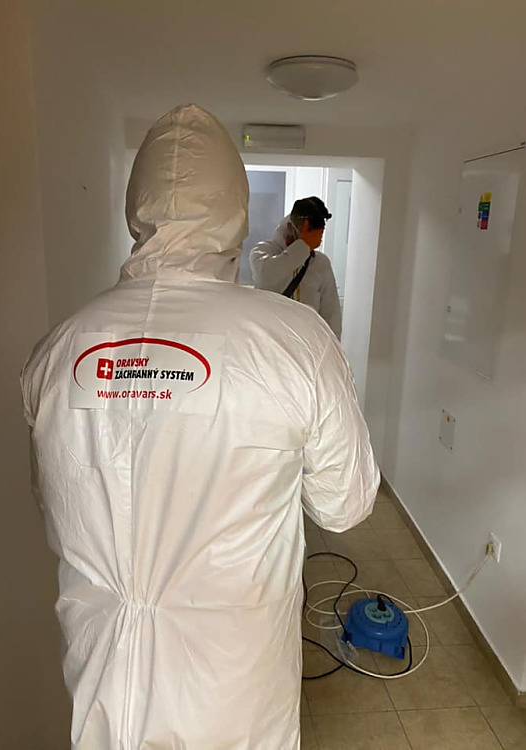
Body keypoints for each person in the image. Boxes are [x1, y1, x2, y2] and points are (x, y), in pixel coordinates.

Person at [21, 104, 379, 750]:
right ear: (235, 209)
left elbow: (56, 499)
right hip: (234, 698)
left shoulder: (57, 352)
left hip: (101, 693)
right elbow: (345, 503)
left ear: (136, 209)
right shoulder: (295, 343)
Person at [249, 197, 343, 338]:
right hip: (270, 342)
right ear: (290, 227)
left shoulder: (320, 263)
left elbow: (331, 314)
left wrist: (332, 346)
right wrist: (303, 245)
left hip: (308, 343)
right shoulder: (263, 252)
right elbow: (266, 277)